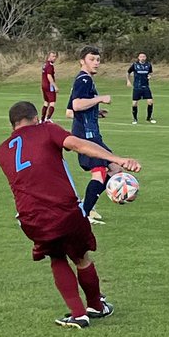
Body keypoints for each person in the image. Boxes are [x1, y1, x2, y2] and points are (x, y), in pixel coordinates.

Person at [0, 100, 141, 329]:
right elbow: (77, 144)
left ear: (13, 124)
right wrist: (116, 159)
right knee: (81, 257)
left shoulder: (3, 149)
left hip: (30, 217)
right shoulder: (46, 129)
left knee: (56, 256)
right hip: (63, 210)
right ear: (36, 118)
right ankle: (96, 305)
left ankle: (78, 314)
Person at [69, 45, 126, 225]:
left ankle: (87, 206)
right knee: (99, 172)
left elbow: (70, 112)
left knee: (116, 168)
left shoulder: (85, 81)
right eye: (92, 59)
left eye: (98, 60)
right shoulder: (83, 80)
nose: (96, 63)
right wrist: (99, 99)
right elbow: (76, 105)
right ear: (82, 61)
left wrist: (95, 111)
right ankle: (83, 214)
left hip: (92, 133)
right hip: (86, 135)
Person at [126, 52, 155, 124]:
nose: (142, 58)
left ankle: (149, 118)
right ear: (138, 58)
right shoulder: (135, 65)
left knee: (150, 101)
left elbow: (150, 73)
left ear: (145, 58)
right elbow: (128, 72)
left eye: (144, 56)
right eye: (141, 56)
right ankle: (135, 119)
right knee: (134, 103)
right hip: (137, 87)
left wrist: (150, 76)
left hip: (145, 86)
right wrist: (128, 81)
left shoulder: (148, 65)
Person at [40, 51, 58, 122]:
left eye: (55, 56)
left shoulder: (44, 65)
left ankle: (42, 119)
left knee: (46, 102)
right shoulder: (50, 66)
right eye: (53, 56)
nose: (54, 58)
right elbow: (49, 76)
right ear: (49, 56)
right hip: (49, 86)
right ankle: (48, 118)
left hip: (44, 85)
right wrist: (55, 86)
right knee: (52, 102)